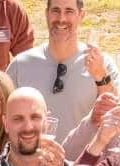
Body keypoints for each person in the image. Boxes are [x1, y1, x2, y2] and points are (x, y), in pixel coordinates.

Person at [8, 0, 111, 143]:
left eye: (69, 11)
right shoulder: (20, 65)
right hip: (32, 163)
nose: (61, 19)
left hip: (83, 162)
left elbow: (114, 116)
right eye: (55, 11)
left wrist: (101, 77)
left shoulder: (102, 64)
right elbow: (2, 119)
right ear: (46, 14)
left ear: (81, 15)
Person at [0, 87, 70, 166]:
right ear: (6, 124)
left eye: (35, 117)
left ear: (47, 121)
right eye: (18, 119)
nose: (28, 127)